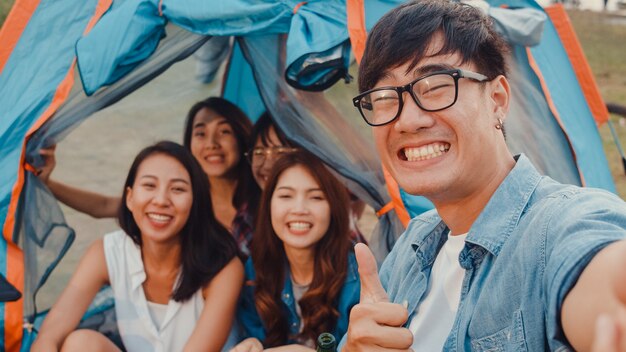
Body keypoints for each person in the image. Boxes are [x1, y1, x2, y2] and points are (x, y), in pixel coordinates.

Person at [341, 0, 626, 351]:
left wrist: (610, 306)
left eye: (434, 86)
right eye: (385, 97)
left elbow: (598, 274)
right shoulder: (413, 247)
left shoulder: (559, 226)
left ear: (498, 99)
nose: (408, 120)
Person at [32, 141, 243, 352]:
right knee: (80, 343)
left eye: (177, 189)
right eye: (149, 186)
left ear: (195, 202)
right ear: (130, 198)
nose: (161, 200)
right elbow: (48, 337)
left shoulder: (222, 267)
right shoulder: (108, 253)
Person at [39, 97, 260, 257]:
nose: (212, 144)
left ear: (242, 137)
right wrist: (47, 183)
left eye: (224, 132)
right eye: (200, 133)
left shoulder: (265, 200)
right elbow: (103, 206)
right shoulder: (181, 202)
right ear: (189, 144)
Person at [232, 151, 360, 352]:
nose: (299, 209)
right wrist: (253, 344)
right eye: (286, 196)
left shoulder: (356, 279)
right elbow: (254, 335)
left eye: (316, 197)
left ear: (333, 208)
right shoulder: (255, 269)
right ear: (269, 205)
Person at [247, 112, 367, 244]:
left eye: (280, 152)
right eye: (259, 152)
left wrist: (320, 107)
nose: (268, 164)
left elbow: (370, 165)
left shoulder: (333, 189)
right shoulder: (247, 217)